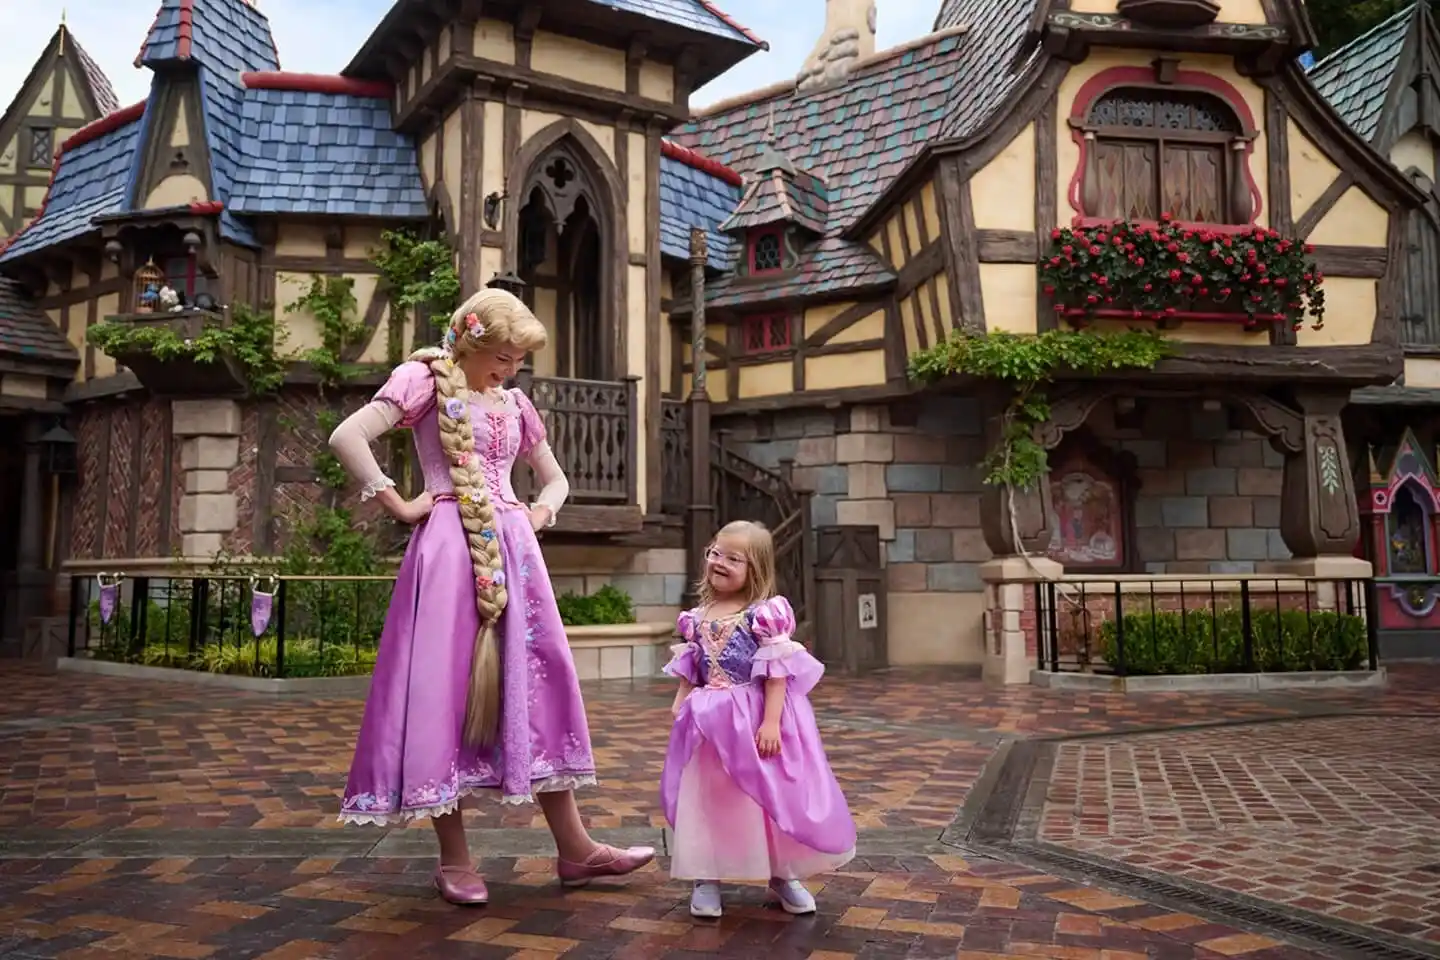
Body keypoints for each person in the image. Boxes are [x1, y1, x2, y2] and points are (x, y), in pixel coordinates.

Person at [327, 288, 654, 905]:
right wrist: (398, 502)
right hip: (450, 549)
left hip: (514, 550)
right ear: (471, 342)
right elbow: (349, 436)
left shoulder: (516, 403)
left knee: (538, 682)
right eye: (503, 356)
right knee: (443, 691)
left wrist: (539, 512)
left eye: (517, 360)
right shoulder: (421, 381)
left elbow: (555, 477)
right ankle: (454, 859)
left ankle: (577, 850)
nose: (510, 369)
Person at [661, 520, 856, 919]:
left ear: (756, 569)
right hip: (707, 726)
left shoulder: (763, 616)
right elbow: (692, 666)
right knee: (710, 796)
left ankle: (782, 873)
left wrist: (770, 722)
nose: (720, 562)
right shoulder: (696, 617)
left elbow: (777, 673)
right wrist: (681, 699)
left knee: (768, 796)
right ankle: (706, 873)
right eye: (715, 552)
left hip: (751, 721)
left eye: (734, 558)